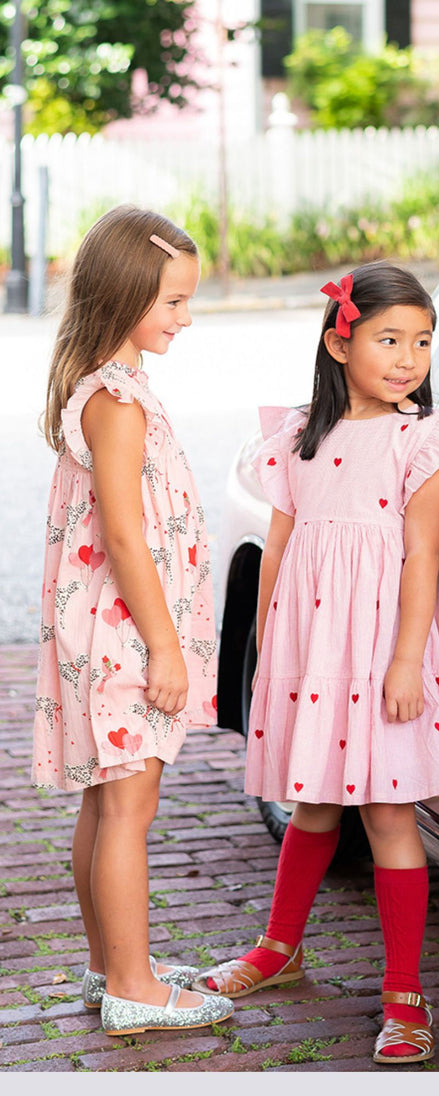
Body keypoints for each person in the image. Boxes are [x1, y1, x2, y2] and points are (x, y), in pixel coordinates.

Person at [191, 261, 439, 1065]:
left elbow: (422, 557)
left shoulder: (424, 440)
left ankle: (404, 992)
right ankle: (278, 948)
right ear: (338, 342)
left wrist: (406, 660)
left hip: (382, 651)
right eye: (390, 339)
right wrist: (265, 651)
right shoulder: (297, 440)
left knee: (388, 817)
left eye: (421, 342)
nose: (409, 358)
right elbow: (279, 549)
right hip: (311, 656)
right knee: (313, 803)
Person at [32, 206, 234, 1037]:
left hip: (106, 630)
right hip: (125, 634)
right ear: (122, 299)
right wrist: (164, 646)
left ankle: (111, 965)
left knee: (103, 804)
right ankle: (134, 987)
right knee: (128, 809)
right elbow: (123, 533)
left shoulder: (115, 387)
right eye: (173, 304)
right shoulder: (116, 402)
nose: (186, 319)